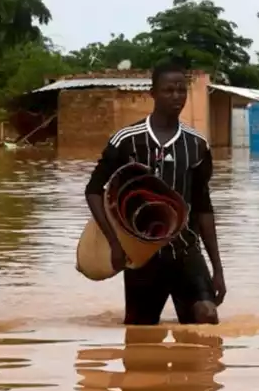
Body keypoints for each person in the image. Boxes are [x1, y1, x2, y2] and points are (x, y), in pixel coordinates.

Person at [84, 59, 226, 325]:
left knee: (207, 317)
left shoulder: (197, 145)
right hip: (141, 257)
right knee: (139, 336)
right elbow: (93, 191)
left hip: (185, 252)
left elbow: (204, 206)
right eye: (168, 90)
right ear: (153, 93)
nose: (177, 96)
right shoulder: (127, 140)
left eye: (181, 90)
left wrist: (217, 268)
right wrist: (114, 243)